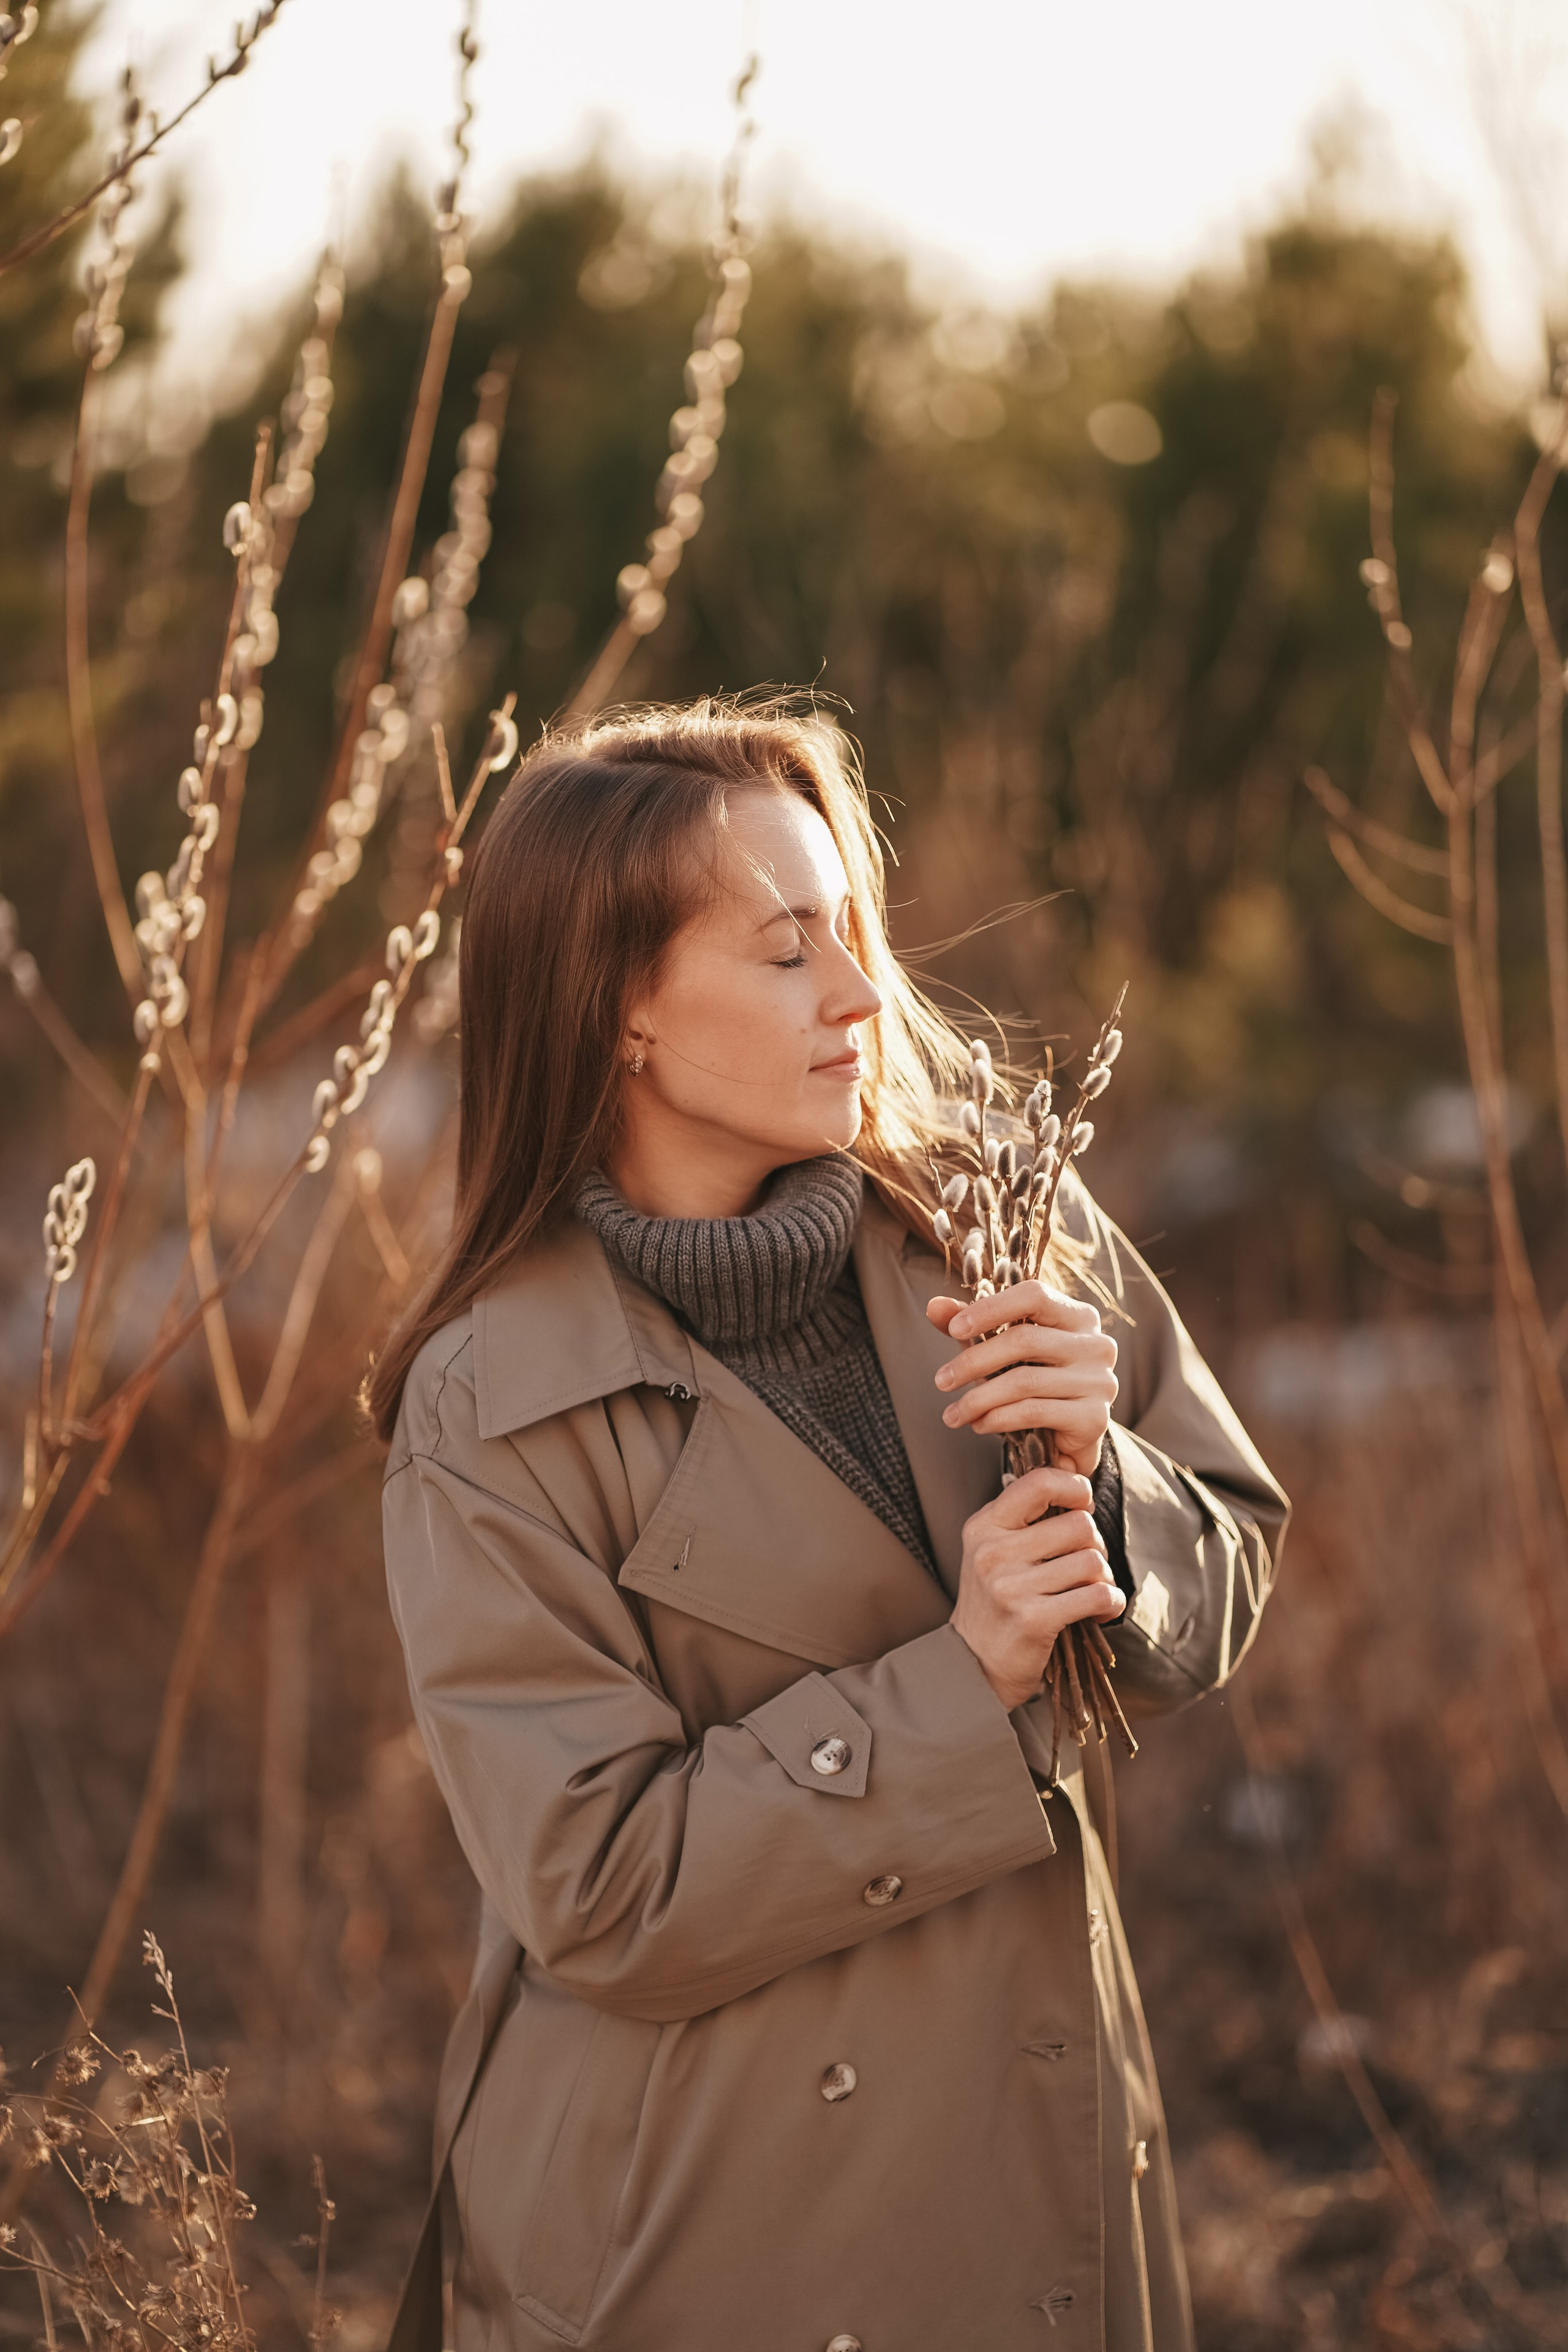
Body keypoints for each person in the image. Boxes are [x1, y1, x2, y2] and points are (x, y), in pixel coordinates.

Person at [371, 698, 1288, 2352]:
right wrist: (964, 1678)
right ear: (620, 1010)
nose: (866, 992)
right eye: (789, 951)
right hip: (705, 2221)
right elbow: (599, 1886)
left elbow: (1227, 1561)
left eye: (853, 931)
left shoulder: (1000, 1229)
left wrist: (1105, 1485)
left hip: (1036, 2162)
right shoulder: (489, 1402)